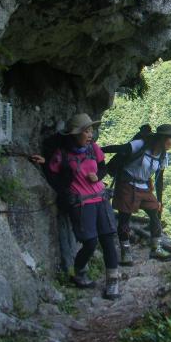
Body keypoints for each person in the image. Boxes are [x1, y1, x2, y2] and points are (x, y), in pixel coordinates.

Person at [35, 113, 120, 298]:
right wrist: (44, 164)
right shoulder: (62, 155)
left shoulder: (93, 149)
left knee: (108, 240)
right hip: (82, 203)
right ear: (75, 133)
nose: (90, 135)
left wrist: (98, 177)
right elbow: (54, 175)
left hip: (101, 199)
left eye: (91, 131)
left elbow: (103, 167)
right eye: (86, 131)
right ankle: (79, 271)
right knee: (90, 242)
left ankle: (113, 282)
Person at [106, 124, 171, 265]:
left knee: (154, 213)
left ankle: (156, 248)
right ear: (162, 138)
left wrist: (159, 201)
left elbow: (159, 178)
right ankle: (125, 252)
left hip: (144, 187)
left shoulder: (163, 155)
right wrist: (97, 150)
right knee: (124, 219)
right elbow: (120, 148)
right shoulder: (141, 144)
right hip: (126, 184)